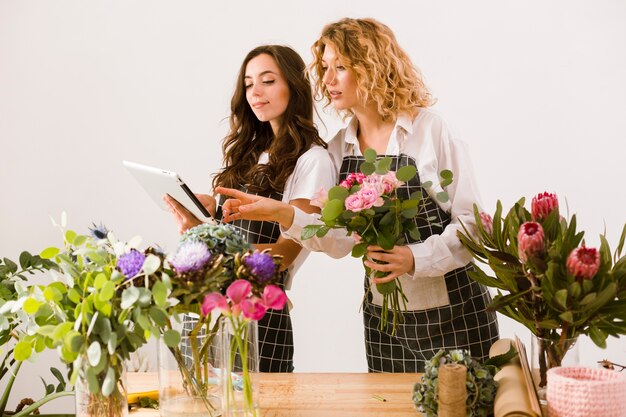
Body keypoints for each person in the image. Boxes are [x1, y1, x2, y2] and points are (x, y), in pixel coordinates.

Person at [217, 18, 500, 373]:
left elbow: (475, 226)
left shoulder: (429, 130)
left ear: (372, 67)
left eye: (341, 67)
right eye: (325, 68)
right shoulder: (338, 150)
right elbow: (337, 241)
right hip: (384, 323)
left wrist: (414, 258)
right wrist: (285, 214)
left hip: (455, 318)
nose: (328, 80)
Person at [165, 45, 335, 372]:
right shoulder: (254, 152)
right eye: (248, 83)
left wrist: (209, 252)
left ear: (294, 88)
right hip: (212, 304)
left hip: (260, 313)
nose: (255, 92)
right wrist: (207, 215)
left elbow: (286, 253)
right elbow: (234, 229)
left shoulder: (312, 160)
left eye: (268, 80)